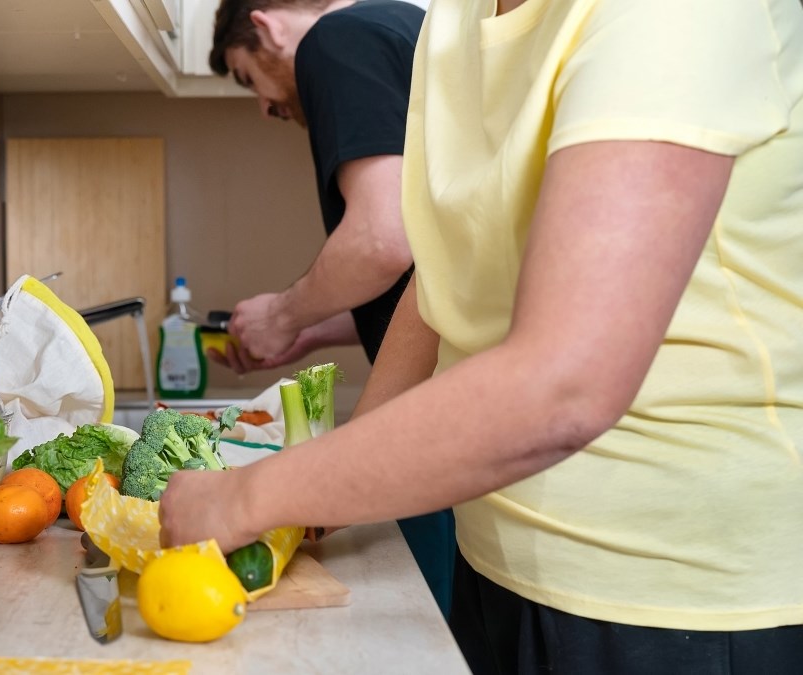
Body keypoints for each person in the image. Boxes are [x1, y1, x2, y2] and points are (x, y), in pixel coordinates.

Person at [164, 0, 803, 672]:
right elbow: (442, 276)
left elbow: (565, 384)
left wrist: (250, 494)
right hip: (498, 560)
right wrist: (320, 502)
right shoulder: (453, 19)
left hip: (674, 596)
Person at [208, 0, 458, 619]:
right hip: (464, 407)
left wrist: (283, 313)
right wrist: (317, 330)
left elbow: (382, 239)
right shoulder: (406, 25)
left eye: (249, 77)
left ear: (265, 24)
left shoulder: (337, 38)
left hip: (436, 420)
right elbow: (435, 271)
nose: (265, 105)